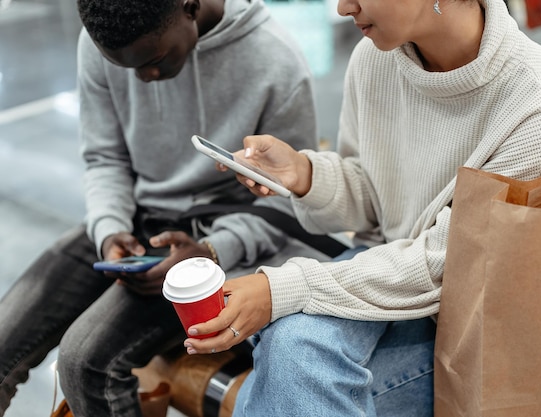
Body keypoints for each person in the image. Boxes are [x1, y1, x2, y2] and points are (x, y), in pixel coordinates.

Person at [183, 0, 541, 415]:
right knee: (291, 350)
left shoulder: (539, 101)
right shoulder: (376, 57)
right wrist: (303, 174)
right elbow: (377, 199)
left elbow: (450, 265)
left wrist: (284, 289)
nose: (342, 8)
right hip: (394, 276)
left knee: (290, 360)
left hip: (480, 326)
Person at [0, 0, 325, 415]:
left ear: (189, 7)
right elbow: (105, 159)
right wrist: (109, 232)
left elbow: (290, 204)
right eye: (126, 68)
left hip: (218, 240)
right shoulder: (103, 41)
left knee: (85, 364)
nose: (145, 77)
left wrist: (212, 250)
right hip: (133, 219)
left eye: (153, 60)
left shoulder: (275, 61)